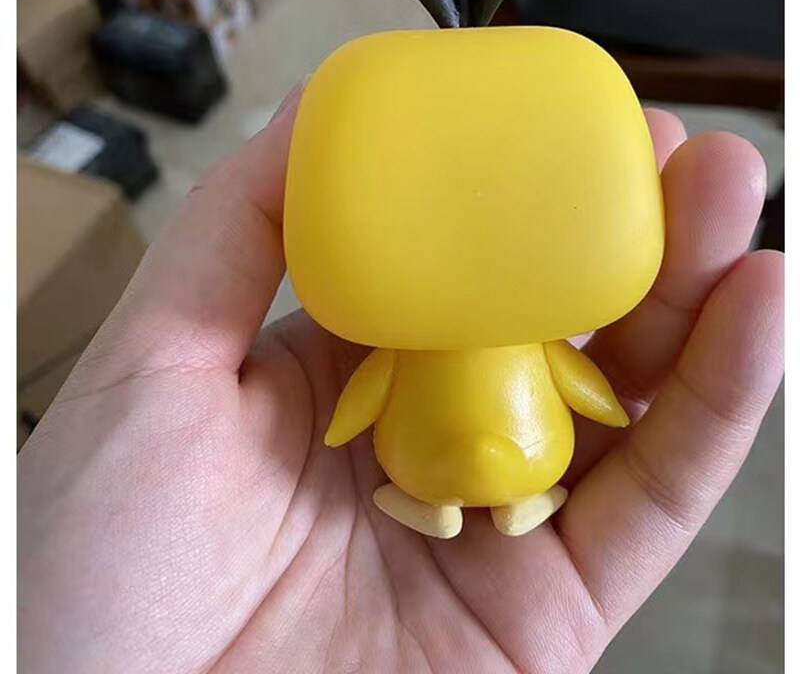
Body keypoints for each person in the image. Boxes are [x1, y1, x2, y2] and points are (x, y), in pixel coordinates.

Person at [18, 85, 784, 673]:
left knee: (494, 480)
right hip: (460, 464)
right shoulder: (408, 327)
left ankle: (489, 501)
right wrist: (603, 408)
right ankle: (466, 502)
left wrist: (604, 406)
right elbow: (399, 383)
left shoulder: (502, 322)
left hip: (459, 462)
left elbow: (569, 376)